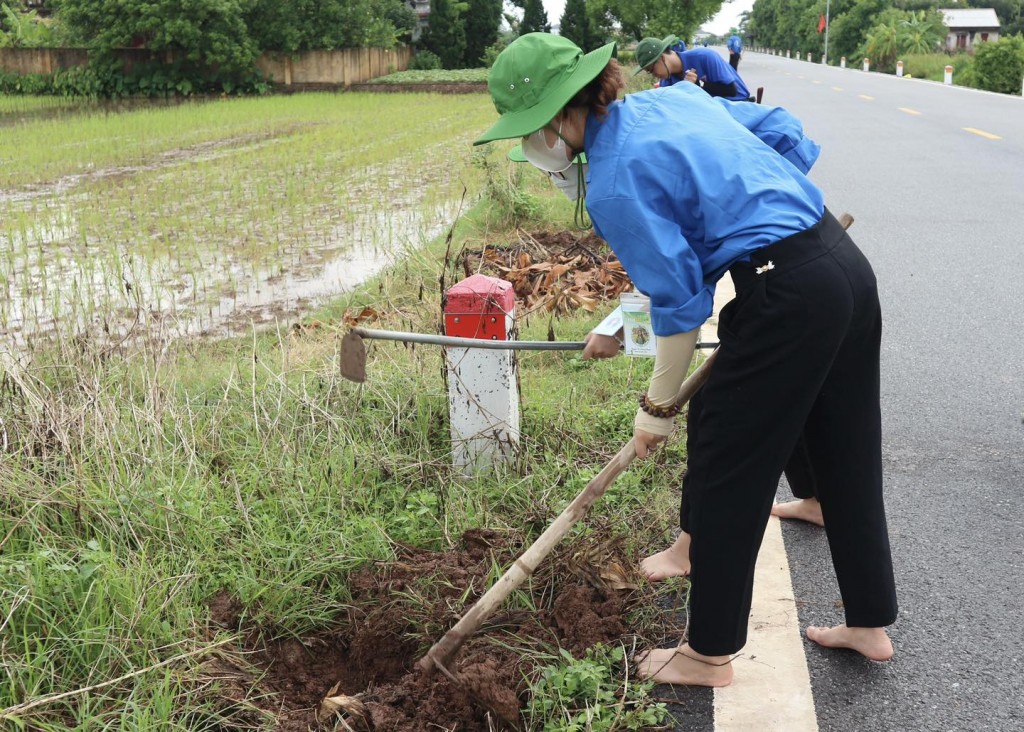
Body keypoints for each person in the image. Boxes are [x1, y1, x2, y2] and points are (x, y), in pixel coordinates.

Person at [475, 33, 898, 687]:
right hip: (839, 264)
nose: (534, 147)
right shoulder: (670, 102)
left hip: (782, 293)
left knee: (728, 457)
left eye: (533, 130)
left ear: (562, 115)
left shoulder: (610, 184)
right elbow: (784, 133)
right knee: (847, 446)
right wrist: (762, 205)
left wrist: (656, 410)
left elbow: (679, 301)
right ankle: (869, 624)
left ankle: (707, 654)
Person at [635, 34, 751, 102]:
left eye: (651, 70)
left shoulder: (704, 56)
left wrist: (699, 85)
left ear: (662, 58)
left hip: (738, 104)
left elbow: (731, 90)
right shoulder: (666, 82)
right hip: (714, 113)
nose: (653, 75)